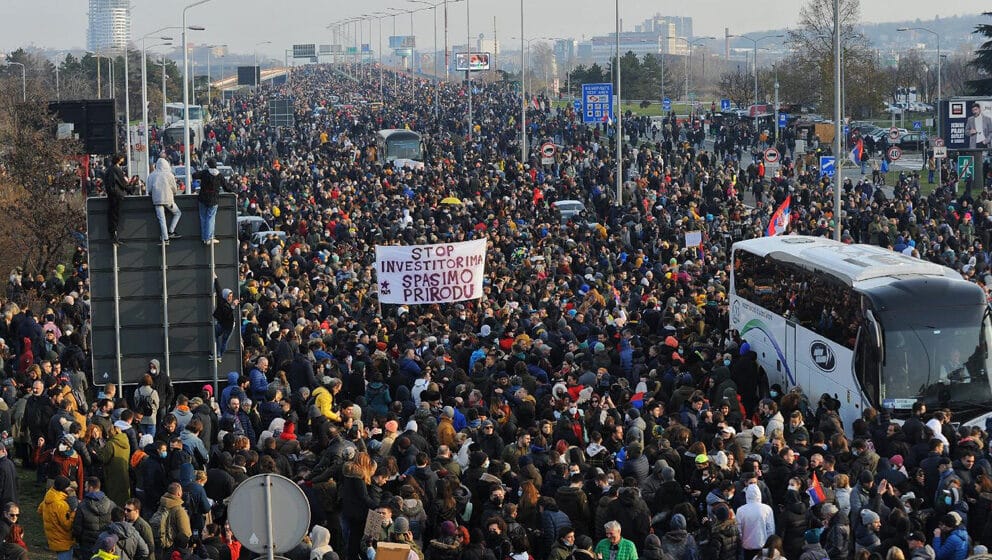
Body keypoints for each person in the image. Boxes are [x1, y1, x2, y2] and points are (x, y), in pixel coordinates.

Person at [73, 477, 116, 560]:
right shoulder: (111, 504)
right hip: (105, 544)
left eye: (86, 487)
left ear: (91, 488)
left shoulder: (82, 505)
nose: (85, 489)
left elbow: (77, 528)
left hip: (87, 545)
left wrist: (78, 540)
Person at [194, 157, 233, 244]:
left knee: (203, 218)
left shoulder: (205, 173)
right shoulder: (219, 176)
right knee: (211, 218)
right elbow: (226, 187)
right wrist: (233, 191)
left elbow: (194, 175)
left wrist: (201, 171)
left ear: (208, 165)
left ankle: (204, 237)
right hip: (213, 199)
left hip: (203, 198)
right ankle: (210, 237)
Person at [37, 475, 76, 560]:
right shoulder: (61, 505)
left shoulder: (49, 496)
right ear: (63, 489)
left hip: (53, 538)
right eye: (68, 487)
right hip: (63, 540)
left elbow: (39, 510)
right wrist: (74, 511)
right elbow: (67, 525)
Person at [146, 157, 181, 245]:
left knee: (162, 219)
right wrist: (173, 193)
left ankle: (165, 239)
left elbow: (149, 189)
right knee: (177, 213)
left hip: (157, 200)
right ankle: (171, 231)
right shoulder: (169, 175)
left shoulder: (152, 175)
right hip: (168, 199)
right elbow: (174, 188)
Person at [105, 153, 137, 245]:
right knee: (115, 215)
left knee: (112, 215)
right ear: (119, 160)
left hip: (111, 195)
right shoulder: (116, 169)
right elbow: (122, 183)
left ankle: (113, 235)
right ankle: (114, 237)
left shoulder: (109, 169)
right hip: (117, 196)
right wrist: (131, 188)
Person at [213, 276, 236, 360]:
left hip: (228, 326)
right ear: (225, 296)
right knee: (216, 335)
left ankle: (219, 355)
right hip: (225, 324)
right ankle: (218, 354)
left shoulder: (224, 302)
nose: (230, 298)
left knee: (224, 341)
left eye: (231, 296)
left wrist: (216, 278)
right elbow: (219, 290)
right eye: (229, 296)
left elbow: (227, 315)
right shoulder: (224, 303)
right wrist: (216, 279)